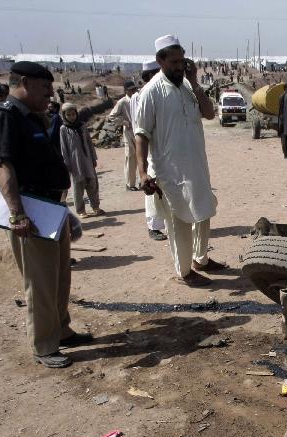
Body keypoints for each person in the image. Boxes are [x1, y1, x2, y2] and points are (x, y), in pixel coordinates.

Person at [0, 61, 92, 368]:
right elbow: (3, 167)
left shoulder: (32, 117)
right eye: (46, 88)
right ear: (26, 83)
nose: (50, 94)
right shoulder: (4, 117)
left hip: (51, 207)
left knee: (59, 276)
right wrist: (17, 214)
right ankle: (44, 345)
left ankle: (62, 330)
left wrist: (64, 209)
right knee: (41, 281)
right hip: (32, 211)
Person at [134, 35, 226, 286]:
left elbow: (208, 113)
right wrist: (143, 173)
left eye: (182, 60)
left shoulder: (187, 86)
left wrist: (195, 82)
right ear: (160, 61)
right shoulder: (150, 93)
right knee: (180, 222)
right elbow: (140, 135)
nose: (179, 66)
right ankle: (184, 272)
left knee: (203, 212)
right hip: (169, 172)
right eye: (174, 61)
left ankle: (201, 259)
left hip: (196, 166)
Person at [138, 60, 167, 241]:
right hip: (151, 149)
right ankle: (153, 226)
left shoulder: (162, 92)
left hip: (166, 150)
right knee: (153, 189)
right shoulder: (144, 95)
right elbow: (140, 129)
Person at [59, 102, 104, 217]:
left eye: (73, 114)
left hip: (87, 160)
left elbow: (89, 143)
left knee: (92, 184)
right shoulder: (63, 129)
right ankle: (81, 211)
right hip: (75, 163)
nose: (71, 117)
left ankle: (96, 207)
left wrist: (93, 158)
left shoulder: (82, 126)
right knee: (78, 187)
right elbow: (64, 148)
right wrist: (67, 164)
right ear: (64, 116)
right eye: (68, 115)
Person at [107, 81, 139, 191]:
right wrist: (124, 122)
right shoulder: (122, 102)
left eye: (134, 89)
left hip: (139, 131)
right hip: (129, 132)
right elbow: (112, 116)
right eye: (131, 89)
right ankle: (130, 184)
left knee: (142, 156)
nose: (134, 91)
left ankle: (143, 181)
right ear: (126, 91)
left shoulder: (138, 98)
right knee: (130, 157)